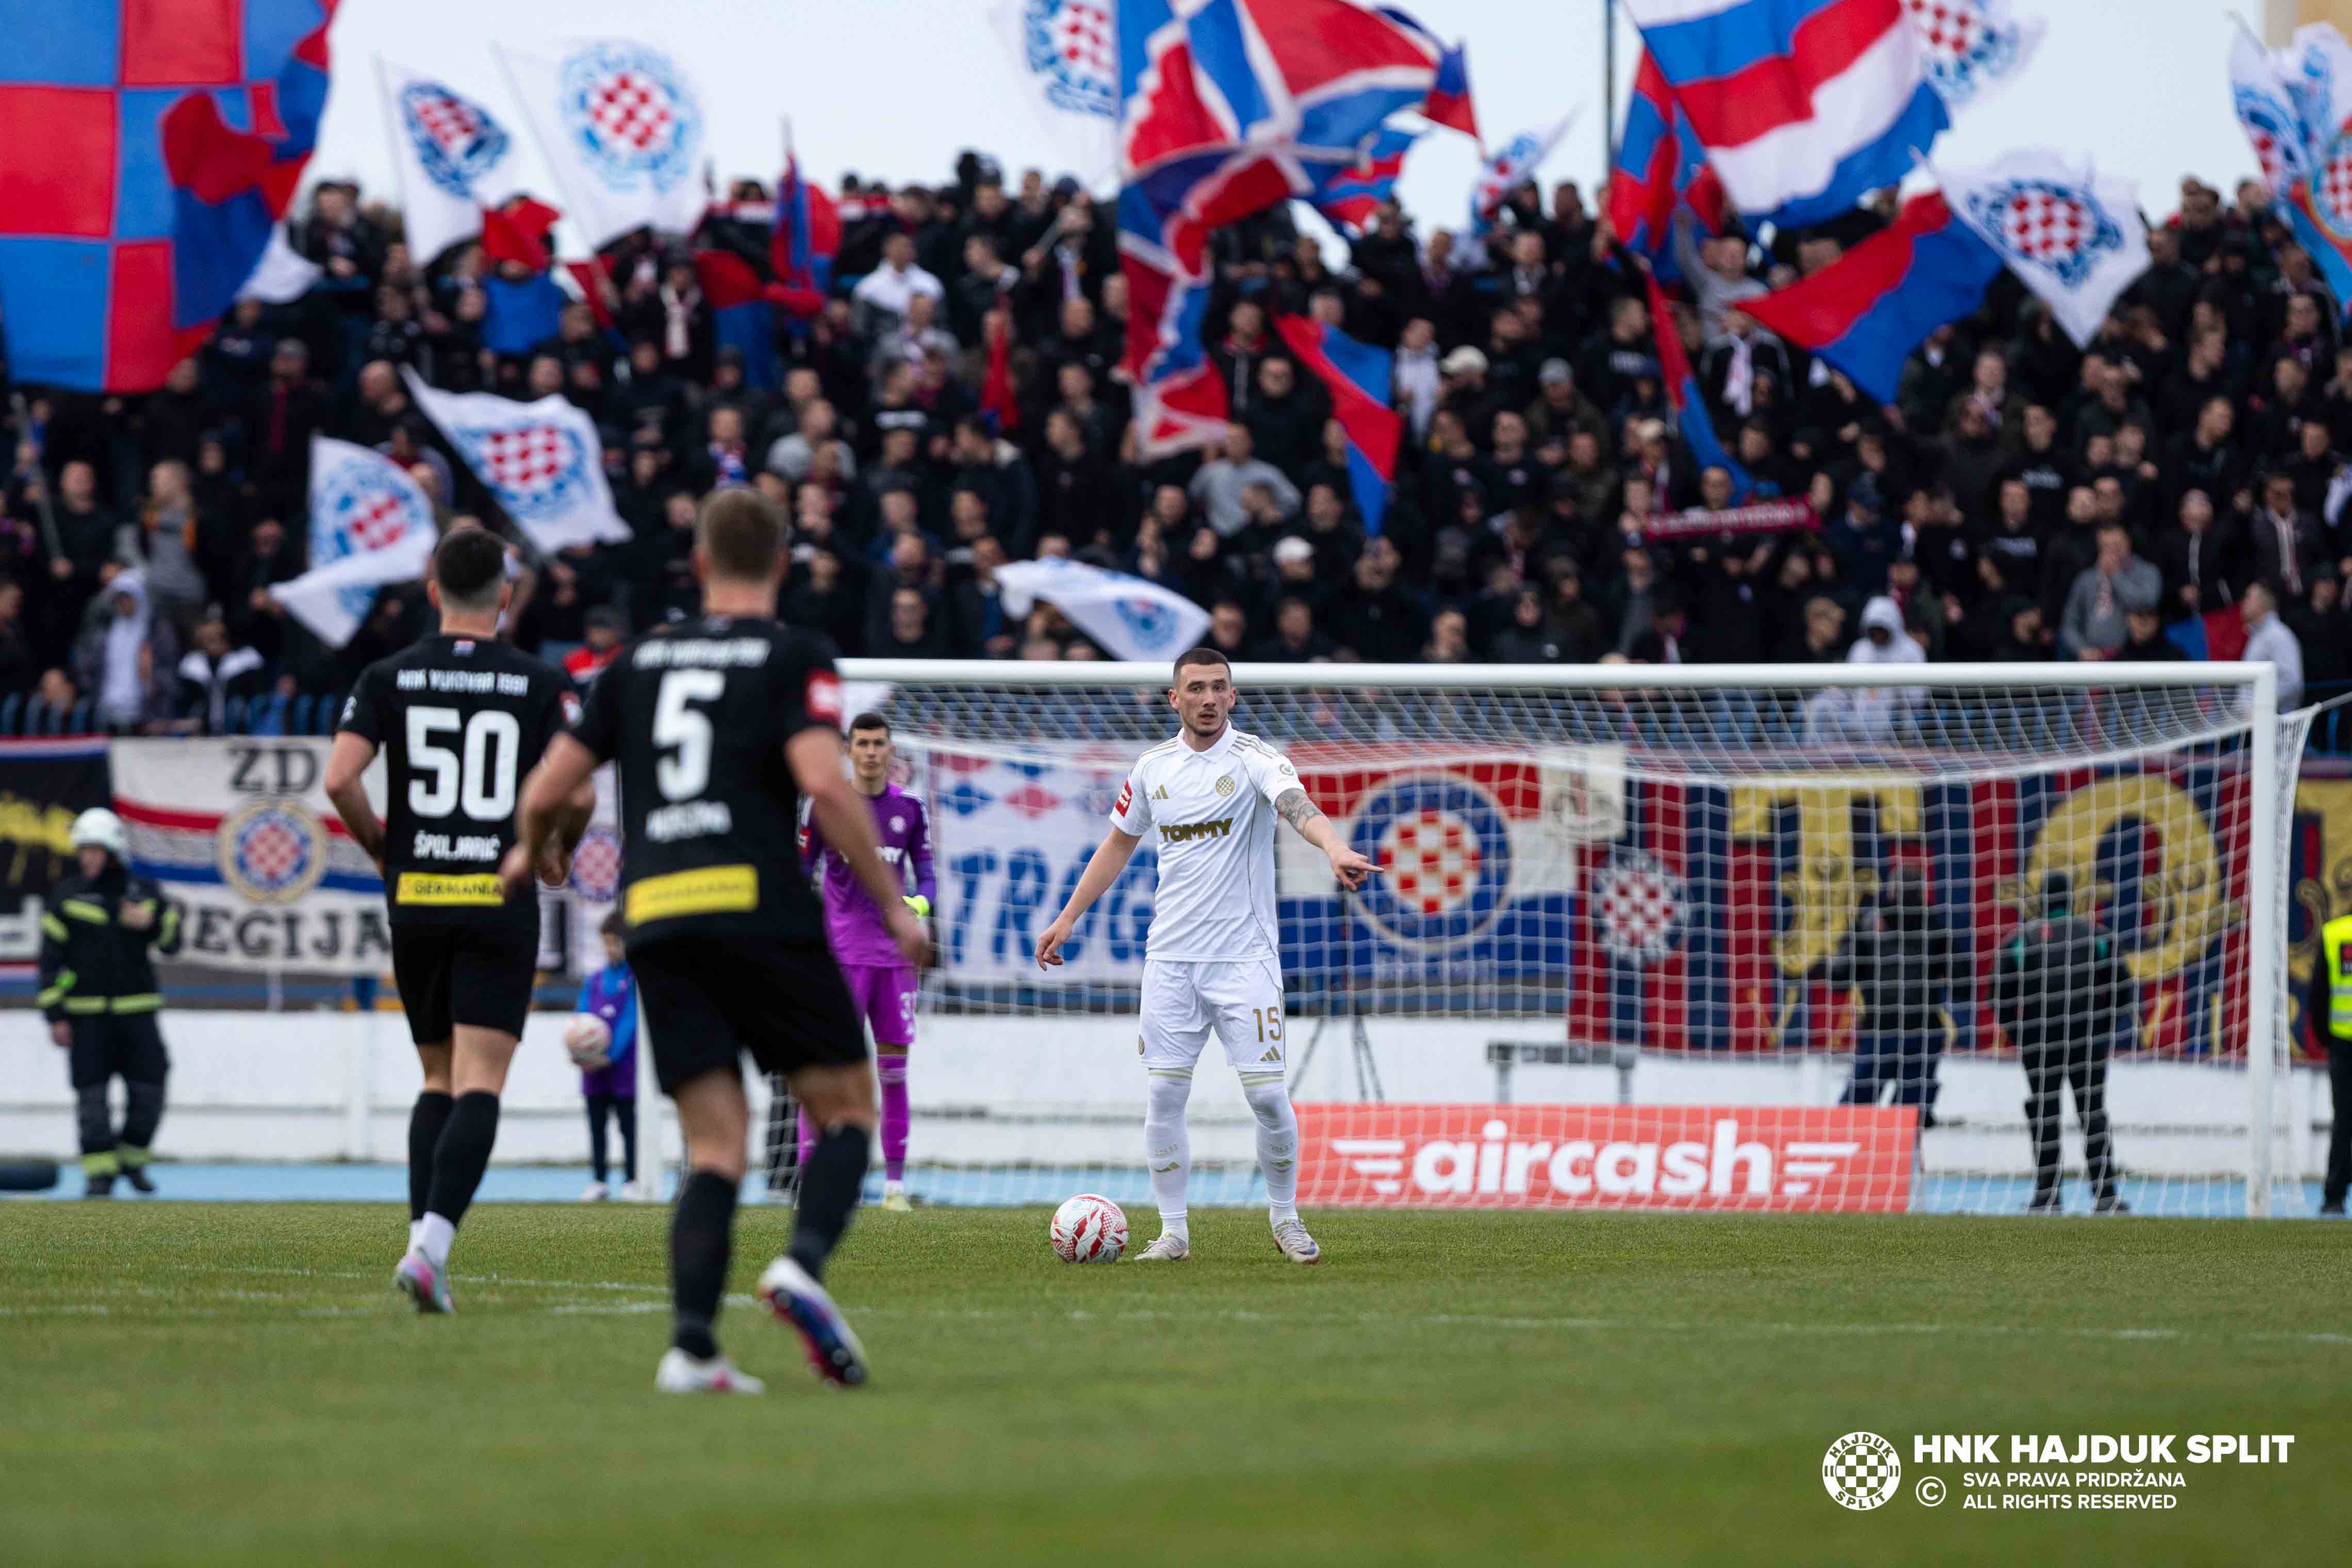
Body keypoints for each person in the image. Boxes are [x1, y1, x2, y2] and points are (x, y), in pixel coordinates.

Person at [504, 488, 926, 1394]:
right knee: (849, 1109)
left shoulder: (635, 661)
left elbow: (547, 789)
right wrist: (894, 905)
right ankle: (801, 1263)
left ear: (698, 564)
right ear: (782, 562)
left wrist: (533, 854)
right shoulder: (793, 653)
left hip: (658, 916)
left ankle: (692, 1349)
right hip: (757, 904)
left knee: (714, 1146)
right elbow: (825, 783)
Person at [1034, 647, 1375, 1265]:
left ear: (1233, 695)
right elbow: (1117, 844)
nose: (1209, 698)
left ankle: (1285, 1217)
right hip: (1170, 960)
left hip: (1245, 961)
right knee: (1164, 1096)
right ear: (1175, 698)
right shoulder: (1152, 768)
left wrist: (1333, 847)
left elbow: (1298, 806)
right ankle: (1174, 1233)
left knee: (1266, 1097)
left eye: (1219, 686)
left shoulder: (1255, 759)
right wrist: (1067, 916)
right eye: (1196, 687)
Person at [323, 529, 590, 1313]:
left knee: (437, 1077)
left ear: (433, 590)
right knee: (480, 1082)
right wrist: (552, 849)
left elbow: (339, 779)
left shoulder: (387, 675)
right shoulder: (539, 680)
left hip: (417, 897)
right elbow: (577, 792)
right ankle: (432, 1250)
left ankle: (420, 1245)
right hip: (495, 896)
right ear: (505, 595)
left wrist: (384, 850)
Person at [800, 711, 935, 1212]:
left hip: (894, 961)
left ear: (891, 750)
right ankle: (811, 1186)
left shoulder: (910, 809)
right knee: (827, 1072)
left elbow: (928, 876)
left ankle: (894, 1188)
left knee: (894, 1072)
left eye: (879, 743)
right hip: (840, 958)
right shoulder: (824, 806)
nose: (872, 752)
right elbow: (800, 871)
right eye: (863, 743)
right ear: (848, 749)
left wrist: (917, 905)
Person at [36, 809, 181, 1197]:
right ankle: (100, 1175)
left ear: (113, 851)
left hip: (137, 1013)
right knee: (92, 1098)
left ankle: (132, 1160)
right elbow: (49, 962)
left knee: (150, 1090)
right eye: (83, 849)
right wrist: (55, 1015)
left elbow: (173, 942)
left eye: (95, 850)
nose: (87, 857)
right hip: (86, 1017)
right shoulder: (67, 897)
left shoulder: (144, 893)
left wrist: (150, 924)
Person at [1993, 872, 2134, 1214]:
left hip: (2039, 1042)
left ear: (2041, 900)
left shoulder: (2020, 940)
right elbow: (2123, 987)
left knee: (2044, 1113)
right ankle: (2104, 1195)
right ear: (2071, 898)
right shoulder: (2097, 936)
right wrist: (2104, 1025)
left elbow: (1999, 994)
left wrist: (2019, 1033)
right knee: (2092, 1112)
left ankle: (2047, 1196)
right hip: (2087, 1039)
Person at [1821, 861, 1958, 1124]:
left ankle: (1849, 1147)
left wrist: (1833, 960)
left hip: (1886, 1030)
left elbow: (1838, 979)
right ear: (1923, 894)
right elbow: (1963, 979)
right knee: (1907, 1117)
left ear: (1890, 891)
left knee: (1856, 1113)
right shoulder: (1933, 927)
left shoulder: (1870, 925)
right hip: (1919, 1030)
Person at [574, 911, 639, 1202]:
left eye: (616, 942)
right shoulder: (595, 980)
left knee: (628, 1127)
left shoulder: (634, 979)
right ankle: (599, 1180)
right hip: (593, 1068)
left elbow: (629, 1021)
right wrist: (579, 1053)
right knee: (596, 1127)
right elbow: (581, 1018)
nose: (610, 948)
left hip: (623, 1068)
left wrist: (610, 1056)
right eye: (607, 942)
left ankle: (631, 1179)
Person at [2308, 910, 2352, 1215]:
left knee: (2344, 1122)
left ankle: (2334, 1199)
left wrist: (2326, 1038)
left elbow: (2318, 993)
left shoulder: (2335, 933)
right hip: (2341, 1043)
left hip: (2342, 1043)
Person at [2240, 580, 2307, 711]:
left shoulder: (2279, 635)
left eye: (2248, 597)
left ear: (2262, 603)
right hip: (2250, 718)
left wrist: (2258, 706)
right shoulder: (2257, 635)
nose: (2243, 602)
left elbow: (2292, 682)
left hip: (2271, 720)